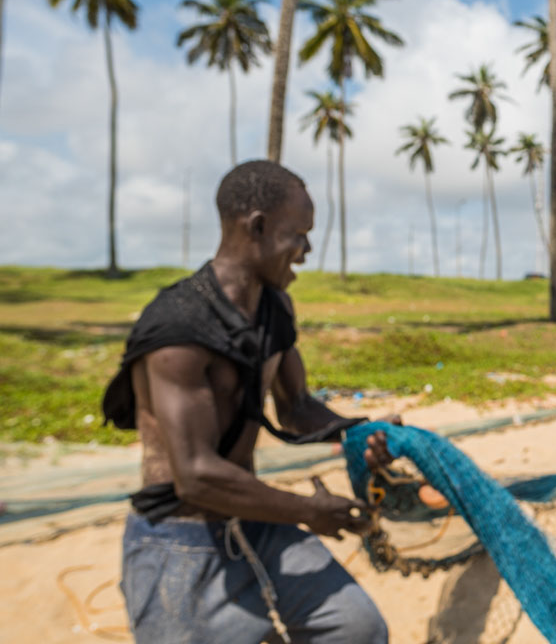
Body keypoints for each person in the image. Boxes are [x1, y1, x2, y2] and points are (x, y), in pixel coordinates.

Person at [102, 160, 388, 644]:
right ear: (256, 227)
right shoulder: (178, 328)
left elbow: (296, 408)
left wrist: (360, 431)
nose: (307, 249)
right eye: (298, 234)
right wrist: (307, 510)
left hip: (253, 518)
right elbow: (195, 477)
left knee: (357, 628)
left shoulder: (273, 307)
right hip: (179, 536)